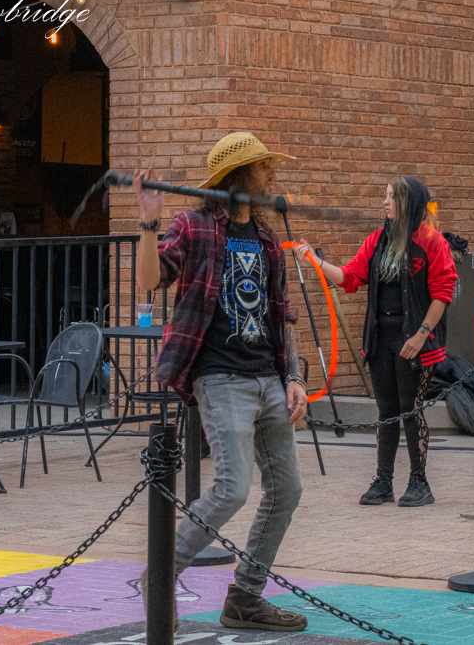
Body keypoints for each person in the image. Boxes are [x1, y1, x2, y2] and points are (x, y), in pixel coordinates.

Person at [134, 131, 309, 632]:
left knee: (287, 490)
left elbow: (280, 316)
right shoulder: (193, 227)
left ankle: (245, 598)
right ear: (239, 175)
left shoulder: (268, 240)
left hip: (268, 379)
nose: (272, 174)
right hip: (220, 377)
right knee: (232, 488)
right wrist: (148, 218)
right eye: (264, 166)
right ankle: (159, 576)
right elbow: (150, 279)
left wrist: (294, 376)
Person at [294, 175, 457, 507]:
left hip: (415, 341)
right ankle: (383, 481)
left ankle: (419, 482)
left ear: (409, 203)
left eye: (391, 197)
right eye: (385, 196)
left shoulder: (432, 242)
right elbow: (350, 277)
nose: (385, 202)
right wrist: (316, 261)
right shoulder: (377, 240)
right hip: (381, 339)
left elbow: (443, 293)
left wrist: (421, 335)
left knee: (411, 410)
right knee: (386, 411)